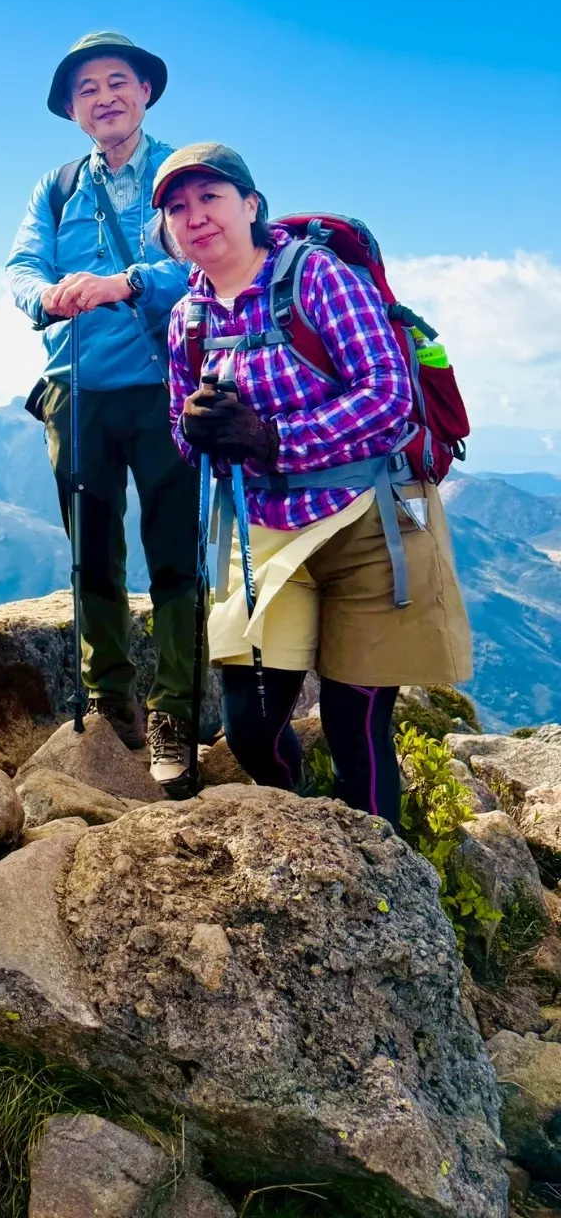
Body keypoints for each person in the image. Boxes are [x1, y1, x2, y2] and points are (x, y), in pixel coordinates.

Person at [157, 143, 473, 830]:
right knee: (250, 727)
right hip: (265, 529)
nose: (196, 217)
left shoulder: (318, 279)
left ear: (249, 205)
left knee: (356, 724)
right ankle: (307, 826)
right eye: (178, 208)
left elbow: (388, 394)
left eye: (210, 198)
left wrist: (273, 440)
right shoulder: (188, 319)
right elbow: (186, 442)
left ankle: (383, 882)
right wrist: (196, 426)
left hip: (369, 520)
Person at [6, 30, 199, 789]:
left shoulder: (183, 173)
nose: (105, 97)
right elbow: (22, 265)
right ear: (73, 110)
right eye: (88, 90)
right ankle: (108, 701)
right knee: (92, 550)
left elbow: (211, 261)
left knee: (175, 555)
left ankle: (175, 711)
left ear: (145, 92)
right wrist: (44, 295)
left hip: (168, 387)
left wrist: (127, 282)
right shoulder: (54, 188)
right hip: (74, 388)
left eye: (118, 82)